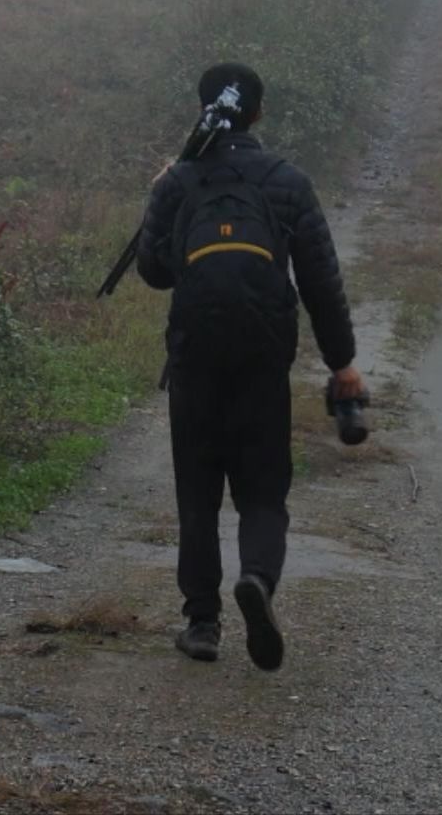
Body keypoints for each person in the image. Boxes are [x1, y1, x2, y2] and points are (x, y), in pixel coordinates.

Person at [133, 60, 363, 670]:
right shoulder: (285, 181)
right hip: (263, 354)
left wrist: (165, 192)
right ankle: (257, 578)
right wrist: (342, 363)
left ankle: (202, 624)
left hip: (194, 353)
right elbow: (320, 279)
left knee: (198, 490)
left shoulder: (179, 181)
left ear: (201, 107)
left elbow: (154, 272)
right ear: (259, 113)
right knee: (263, 489)